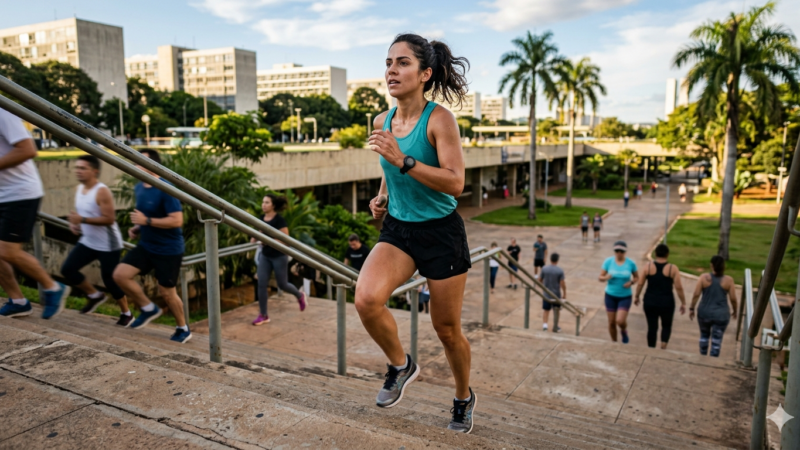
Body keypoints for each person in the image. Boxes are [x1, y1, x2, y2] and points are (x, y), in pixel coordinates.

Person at [356, 33, 476, 433]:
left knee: (446, 329)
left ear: (425, 73)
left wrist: (402, 159)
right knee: (366, 299)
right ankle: (400, 364)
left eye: (403, 62)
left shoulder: (439, 120)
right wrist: (382, 195)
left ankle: (463, 397)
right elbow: (390, 170)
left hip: (441, 234)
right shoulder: (381, 121)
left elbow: (455, 183)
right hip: (399, 230)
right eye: (389, 62)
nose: (392, 70)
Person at [112, 149, 190, 343]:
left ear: (153, 166)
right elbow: (148, 216)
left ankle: (183, 328)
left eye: (140, 162)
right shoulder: (140, 187)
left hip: (168, 249)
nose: (136, 166)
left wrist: (145, 221)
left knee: (167, 293)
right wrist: (137, 228)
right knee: (120, 275)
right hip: (147, 245)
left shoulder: (166, 188)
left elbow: (176, 220)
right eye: (136, 162)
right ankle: (148, 308)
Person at [0, 107, 70, 319]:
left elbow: (28, 149)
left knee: (7, 251)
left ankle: (53, 287)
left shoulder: (3, 113)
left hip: (20, 194)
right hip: (3, 194)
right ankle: (19, 301)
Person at [60, 155, 131, 326]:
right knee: (68, 269)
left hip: (108, 244)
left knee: (110, 280)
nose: (78, 171)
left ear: (94, 171)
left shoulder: (102, 191)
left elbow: (109, 218)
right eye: (77, 168)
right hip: (88, 241)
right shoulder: (79, 189)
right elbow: (84, 216)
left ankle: (126, 313)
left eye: (83, 168)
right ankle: (94, 295)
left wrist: (82, 220)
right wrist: (75, 225)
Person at [251, 194, 307, 326]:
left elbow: (285, 240)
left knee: (282, 284)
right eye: (263, 202)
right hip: (265, 255)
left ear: (273, 205)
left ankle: (299, 295)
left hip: (279, 256)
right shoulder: (261, 218)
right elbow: (258, 234)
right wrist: (254, 238)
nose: (263, 205)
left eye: (267, 202)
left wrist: (268, 241)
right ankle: (263, 315)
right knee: (261, 284)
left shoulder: (279, 220)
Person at [634, 244, 687, 349]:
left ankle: (651, 348)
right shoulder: (672, 268)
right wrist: (683, 302)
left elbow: (640, 283)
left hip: (650, 301)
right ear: (667, 254)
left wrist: (637, 296)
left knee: (652, 327)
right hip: (667, 302)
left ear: (655, 254)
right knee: (666, 325)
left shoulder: (648, 267)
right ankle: (663, 345)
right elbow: (679, 287)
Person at [690, 255, 738, 357]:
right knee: (717, 338)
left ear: (711, 265)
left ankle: (702, 355)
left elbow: (696, 294)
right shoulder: (728, 280)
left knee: (704, 334)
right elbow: (733, 299)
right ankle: (713, 358)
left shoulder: (704, 278)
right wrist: (735, 310)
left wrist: (692, 308)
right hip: (721, 314)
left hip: (704, 312)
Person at [599, 241, 638, 344]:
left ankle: (624, 331)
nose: (619, 253)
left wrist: (631, 282)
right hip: (610, 295)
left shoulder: (630, 263)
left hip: (625, 296)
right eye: (617, 251)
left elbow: (637, 277)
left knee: (620, 321)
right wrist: (606, 277)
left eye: (621, 251)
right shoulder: (608, 262)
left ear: (625, 252)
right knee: (611, 322)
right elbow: (600, 277)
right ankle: (614, 342)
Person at [540, 253, 565, 332]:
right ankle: (555, 326)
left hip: (546, 294)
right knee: (556, 310)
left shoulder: (544, 269)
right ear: (557, 260)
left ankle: (545, 325)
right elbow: (562, 283)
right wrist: (564, 293)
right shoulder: (560, 270)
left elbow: (540, 280)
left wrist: (543, 287)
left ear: (550, 259)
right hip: (556, 294)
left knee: (546, 310)